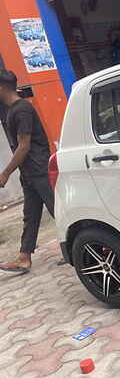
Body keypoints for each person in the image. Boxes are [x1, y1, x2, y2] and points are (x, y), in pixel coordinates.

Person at [0, 69, 55, 274]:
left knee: (58, 210)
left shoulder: (21, 110)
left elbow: (24, 146)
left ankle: (85, 248)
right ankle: (24, 258)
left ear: (2, 88)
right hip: (29, 172)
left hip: (39, 169)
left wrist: (5, 173)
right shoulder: (11, 110)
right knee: (30, 216)